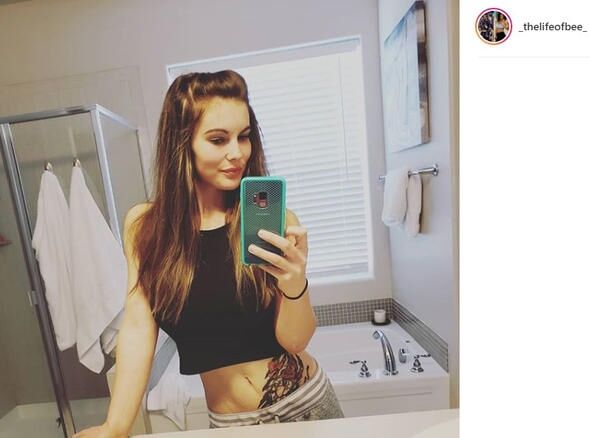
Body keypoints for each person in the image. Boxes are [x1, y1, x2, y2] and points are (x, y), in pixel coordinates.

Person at [74, 70, 344, 437]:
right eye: (218, 139)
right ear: (182, 142)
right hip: (230, 424)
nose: (237, 153)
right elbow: (138, 326)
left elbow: (295, 341)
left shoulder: (274, 220)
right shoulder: (146, 227)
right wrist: (116, 425)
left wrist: (296, 282)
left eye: (244, 136)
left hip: (307, 408)